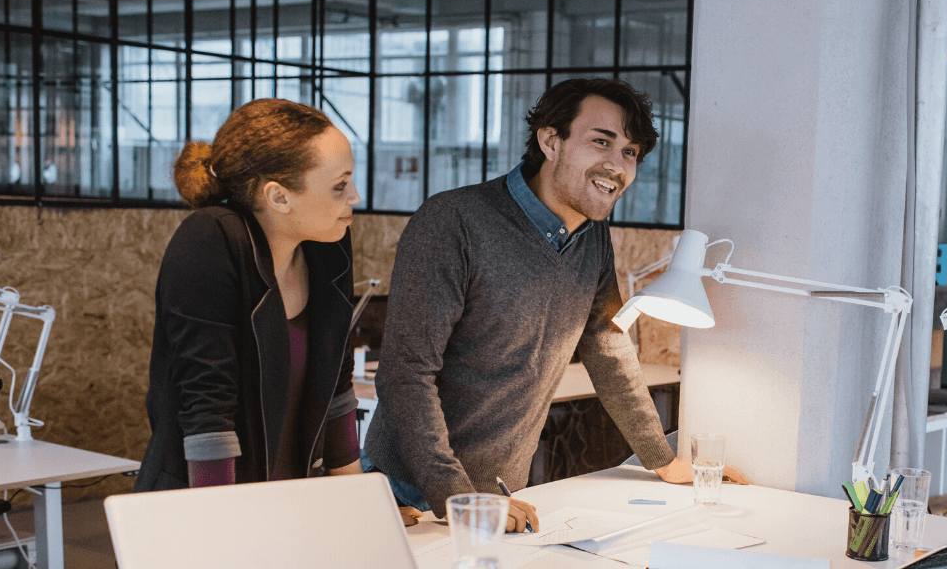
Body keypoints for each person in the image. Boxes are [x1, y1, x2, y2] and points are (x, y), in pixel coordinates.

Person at [364, 78, 747, 532]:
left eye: (630, 153)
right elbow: (407, 374)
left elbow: (608, 348)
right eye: (601, 142)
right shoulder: (454, 221)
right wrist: (456, 498)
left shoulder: (592, 239)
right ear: (550, 140)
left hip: (500, 494)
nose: (617, 165)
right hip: (408, 497)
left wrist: (662, 459)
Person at [137, 98, 364, 490]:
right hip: (206, 502)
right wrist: (228, 524)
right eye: (340, 186)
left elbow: (337, 389)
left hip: (294, 502)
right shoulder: (210, 239)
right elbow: (207, 409)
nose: (354, 197)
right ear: (279, 197)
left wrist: (361, 503)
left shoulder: (329, 244)